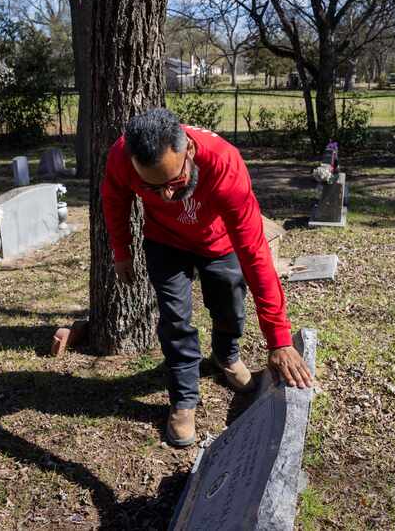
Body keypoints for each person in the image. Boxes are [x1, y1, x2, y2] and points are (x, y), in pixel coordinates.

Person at [101, 108, 313, 447]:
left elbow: (256, 254)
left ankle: (226, 355)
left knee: (229, 300)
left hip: (219, 242)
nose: (166, 196)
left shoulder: (224, 163)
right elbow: (115, 199)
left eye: (173, 183)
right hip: (164, 242)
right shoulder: (122, 156)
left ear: (190, 152)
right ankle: (183, 399)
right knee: (175, 318)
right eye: (152, 188)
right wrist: (122, 251)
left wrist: (279, 340)